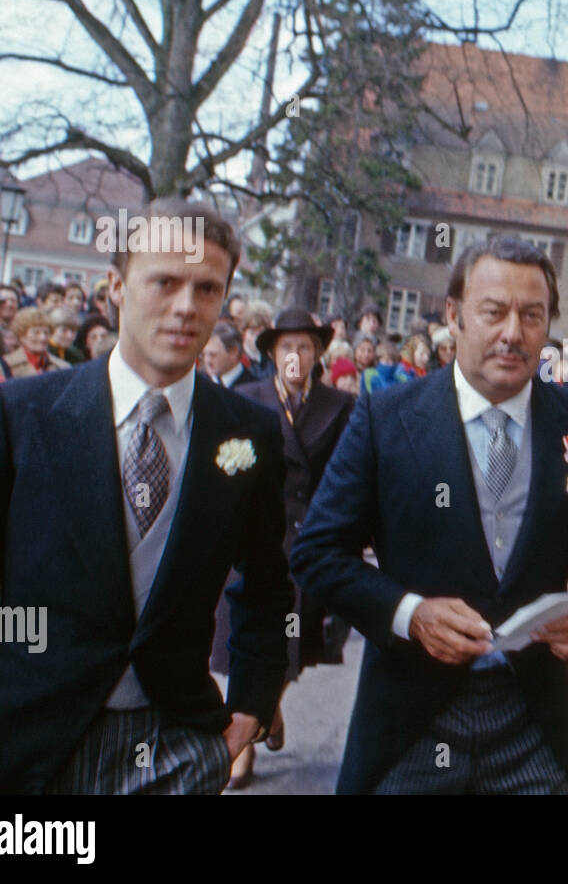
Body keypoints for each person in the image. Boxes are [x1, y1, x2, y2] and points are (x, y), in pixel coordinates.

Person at [0, 198, 294, 794]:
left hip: (177, 749)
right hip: (32, 751)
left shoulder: (248, 431)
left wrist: (254, 703)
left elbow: (265, 583)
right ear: (116, 287)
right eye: (165, 281)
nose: (186, 307)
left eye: (207, 289)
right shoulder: (18, 415)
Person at [291, 236, 568, 794]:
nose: (512, 334)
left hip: (532, 728)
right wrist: (410, 614)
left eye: (532, 315)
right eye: (494, 312)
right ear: (454, 315)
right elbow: (318, 553)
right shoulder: (385, 417)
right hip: (411, 722)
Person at [211, 307, 356, 787]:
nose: (296, 355)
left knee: (293, 644)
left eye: (306, 346)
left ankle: (269, 706)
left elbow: (347, 476)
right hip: (254, 538)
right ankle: (248, 737)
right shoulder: (246, 398)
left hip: (311, 542)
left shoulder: (341, 405)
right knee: (243, 639)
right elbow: (226, 469)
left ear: (318, 354)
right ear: (272, 353)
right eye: (287, 347)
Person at [3, 307, 71, 378]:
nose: (43, 338)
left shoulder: (63, 367)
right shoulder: (5, 365)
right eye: (36, 333)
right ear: (21, 336)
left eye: (46, 333)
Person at [201, 321, 258, 389]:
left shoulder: (254, 388)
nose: (207, 361)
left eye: (212, 355)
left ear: (234, 352)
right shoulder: (198, 384)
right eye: (203, 355)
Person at [238, 300, 276, 381]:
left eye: (261, 333)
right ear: (244, 332)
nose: (256, 338)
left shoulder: (271, 357)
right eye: (252, 333)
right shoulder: (238, 358)